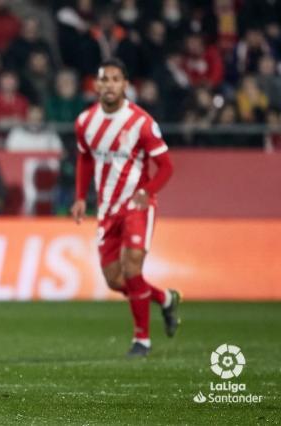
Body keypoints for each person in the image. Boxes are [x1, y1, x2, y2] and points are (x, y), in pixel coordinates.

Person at [70, 58, 180, 357]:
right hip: (106, 209)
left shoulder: (141, 123)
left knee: (132, 268)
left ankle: (141, 339)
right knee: (115, 279)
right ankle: (164, 298)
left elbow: (167, 167)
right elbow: (85, 158)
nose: (109, 85)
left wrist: (148, 190)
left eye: (115, 79)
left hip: (137, 205)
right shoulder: (85, 122)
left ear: (125, 85)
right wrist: (81, 197)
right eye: (104, 79)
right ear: (96, 84)